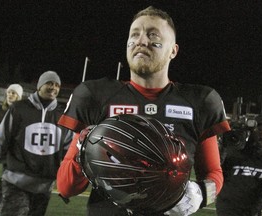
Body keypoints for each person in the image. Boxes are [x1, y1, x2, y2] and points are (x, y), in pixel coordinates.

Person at [57, 6, 231, 216]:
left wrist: (201, 194)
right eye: (135, 34)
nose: (141, 40)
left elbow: (213, 173)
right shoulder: (95, 96)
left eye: (152, 35)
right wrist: (84, 150)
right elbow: (66, 187)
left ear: (173, 51)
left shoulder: (199, 102)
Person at [0, 71, 73, 216]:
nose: (53, 87)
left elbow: (69, 150)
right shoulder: (19, 109)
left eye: (57, 85)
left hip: (44, 186)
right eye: (49, 83)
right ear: (39, 86)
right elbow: (0, 141)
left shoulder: (62, 115)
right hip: (16, 182)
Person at [216, 115, 262, 216]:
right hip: (226, 211)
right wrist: (224, 145)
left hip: (252, 212)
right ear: (251, 132)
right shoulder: (234, 152)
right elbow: (216, 168)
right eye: (259, 129)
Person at [0, 83, 23, 210]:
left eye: (13, 93)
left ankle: (0, 202)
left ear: (19, 96)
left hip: (11, 149)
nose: (10, 95)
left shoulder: (21, 111)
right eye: (9, 92)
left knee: (5, 178)